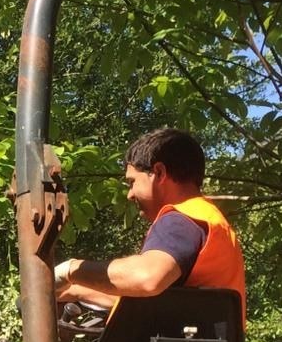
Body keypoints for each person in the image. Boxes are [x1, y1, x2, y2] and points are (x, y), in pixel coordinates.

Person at [53, 127, 245, 312]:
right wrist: (75, 290)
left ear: (159, 173)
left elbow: (147, 278)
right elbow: (149, 298)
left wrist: (70, 270)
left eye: (132, 182)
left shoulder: (181, 219)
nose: (130, 194)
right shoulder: (207, 218)